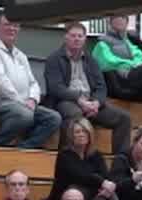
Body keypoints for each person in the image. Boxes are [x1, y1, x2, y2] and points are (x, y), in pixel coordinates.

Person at [0, 15, 60, 149]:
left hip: (22, 105)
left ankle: (23, 149)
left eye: (15, 25)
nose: (12, 28)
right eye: (7, 24)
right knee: (24, 115)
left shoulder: (20, 55)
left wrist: (32, 100)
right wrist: (22, 103)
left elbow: (33, 83)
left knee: (53, 118)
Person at [46, 22, 131, 155]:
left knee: (124, 118)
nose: (76, 39)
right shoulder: (54, 59)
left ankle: (121, 160)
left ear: (85, 39)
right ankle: (67, 157)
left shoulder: (91, 60)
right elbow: (55, 88)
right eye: (73, 36)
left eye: (80, 36)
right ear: (66, 37)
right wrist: (79, 100)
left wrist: (96, 102)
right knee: (75, 116)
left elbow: (101, 87)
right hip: (66, 101)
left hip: (91, 103)